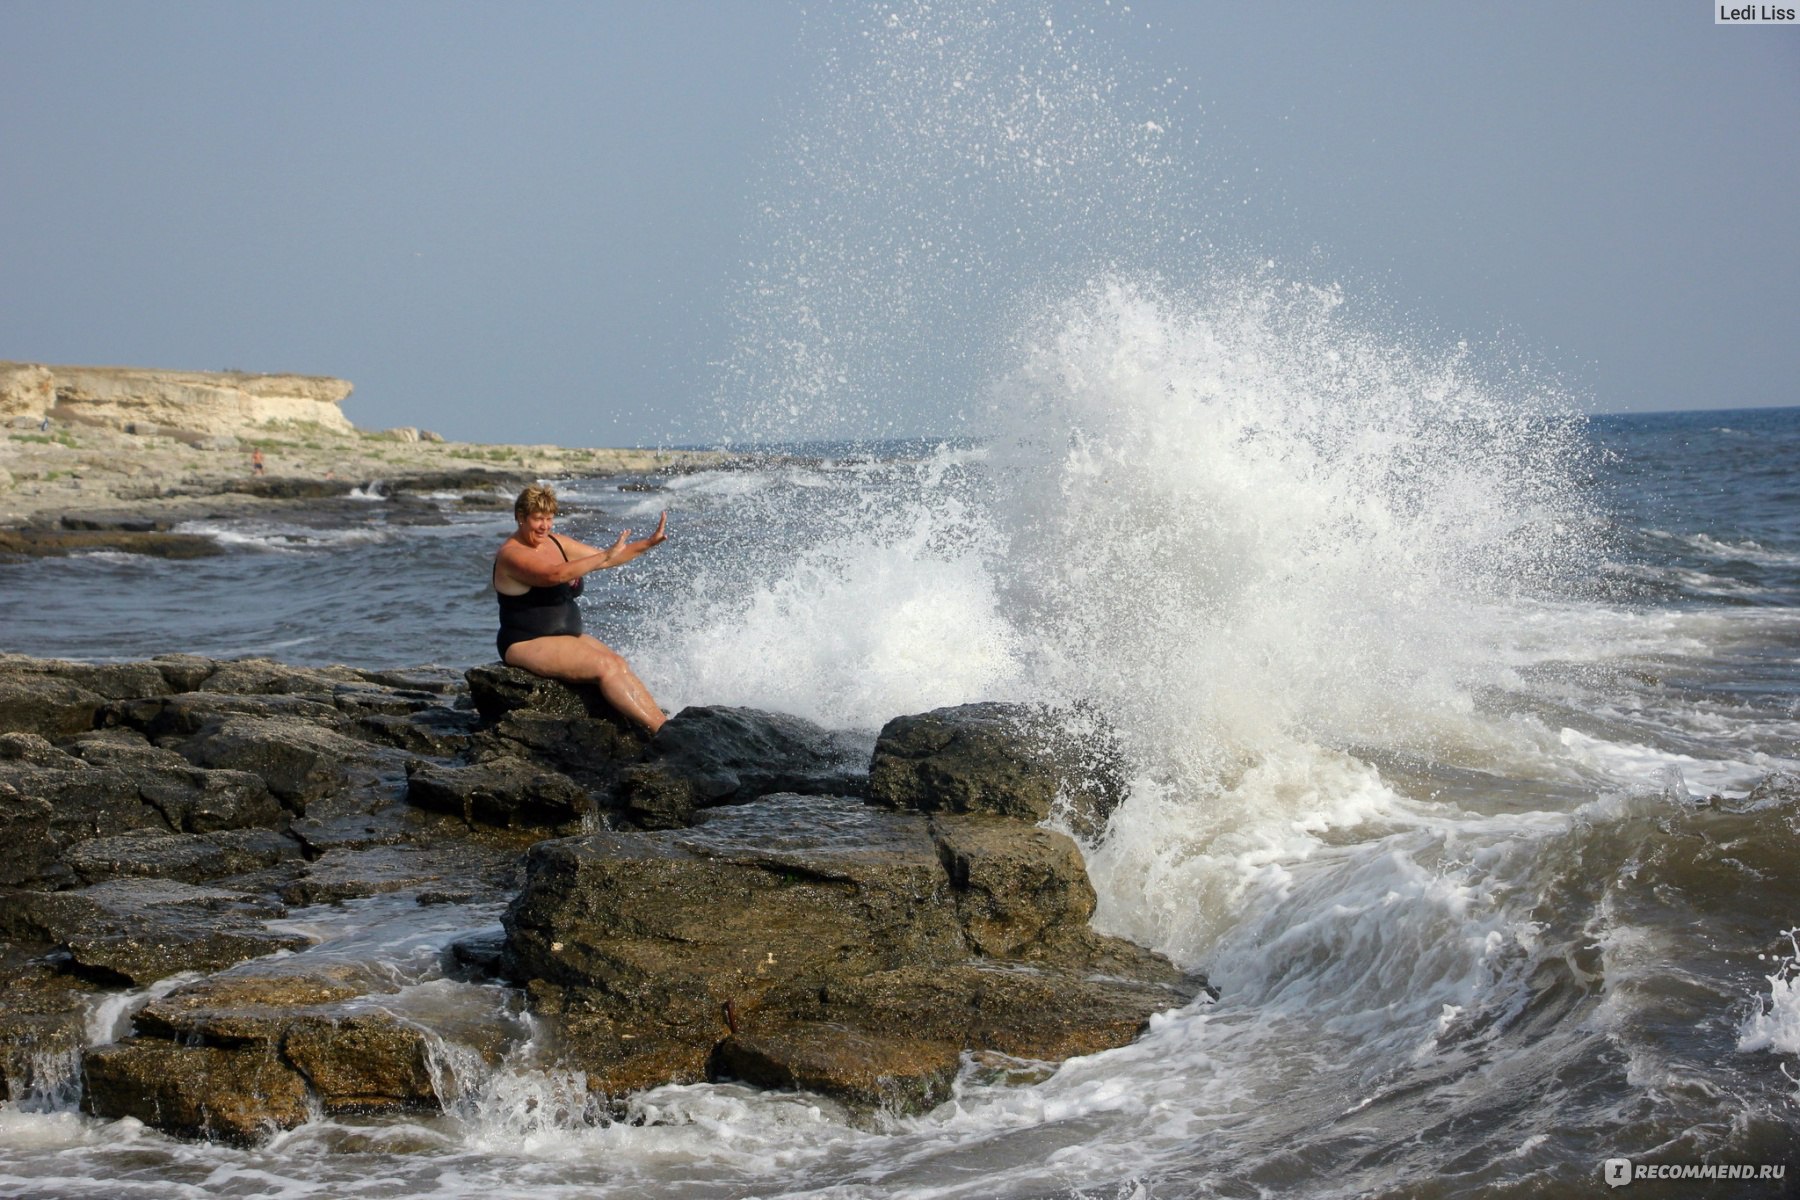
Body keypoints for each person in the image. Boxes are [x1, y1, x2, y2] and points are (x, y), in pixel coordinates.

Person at [493, 484, 669, 733]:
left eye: (549, 518)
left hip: (564, 637)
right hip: (525, 641)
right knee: (605, 667)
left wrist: (648, 543)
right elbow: (553, 575)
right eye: (537, 519)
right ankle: (661, 731)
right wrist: (604, 556)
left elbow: (609, 557)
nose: (545, 526)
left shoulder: (556, 542)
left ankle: (663, 724)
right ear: (520, 518)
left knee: (618, 663)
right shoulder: (512, 554)